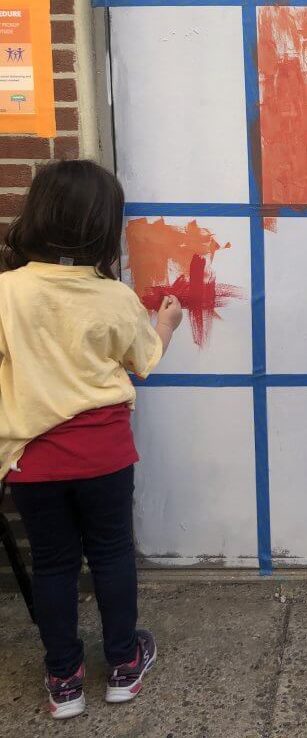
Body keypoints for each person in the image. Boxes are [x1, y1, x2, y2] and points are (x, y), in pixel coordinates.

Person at [0, 159, 183, 719]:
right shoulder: (114, 297)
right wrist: (167, 325)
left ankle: (64, 682)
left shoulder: (7, 292)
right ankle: (124, 667)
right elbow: (143, 361)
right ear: (104, 228)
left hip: (33, 459)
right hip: (103, 454)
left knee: (53, 565)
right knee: (110, 556)